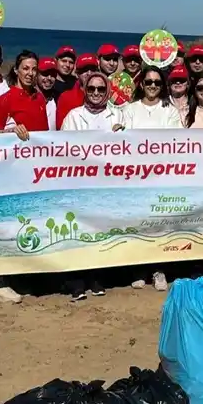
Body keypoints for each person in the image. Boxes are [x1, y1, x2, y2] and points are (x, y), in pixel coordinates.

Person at [60, 73, 123, 301]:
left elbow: (133, 148)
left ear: (106, 91)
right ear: (85, 91)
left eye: (100, 89)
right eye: (91, 89)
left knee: (100, 230)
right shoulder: (73, 116)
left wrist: (123, 133)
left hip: (107, 183)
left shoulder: (118, 115)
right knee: (77, 231)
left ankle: (97, 279)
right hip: (79, 181)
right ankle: (76, 281)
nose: (96, 93)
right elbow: (63, 149)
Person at [122, 67, 181, 291]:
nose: (153, 86)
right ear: (141, 84)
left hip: (162, 176)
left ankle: (159, 270)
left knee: (159, 225)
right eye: (148, 82)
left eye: (157, 82)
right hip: (136, 178)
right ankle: (138, 268)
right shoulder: (130, 110)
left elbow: (177, 141)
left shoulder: (170, 110)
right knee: (138, 224)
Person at [0, 50, 48, 138]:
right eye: (25, 68)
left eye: (34, 69)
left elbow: (46, 134)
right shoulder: (6, 99)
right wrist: (11, 131)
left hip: (39, 150)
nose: (30, 73)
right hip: (18, 150)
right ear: (16, 70)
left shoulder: (40, 98)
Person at [56, 52, 97, 128]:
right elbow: (61, 129)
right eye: (84, 70)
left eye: (93, 69)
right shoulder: (66, 97)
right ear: (77, 73)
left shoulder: (105, 96)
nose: (89, 73)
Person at [37, 57, 60, 130]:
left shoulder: (58, 99)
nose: (49, 78)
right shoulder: (26, 97)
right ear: (36, 74)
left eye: (53, 75)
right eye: (45, 74)